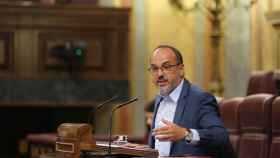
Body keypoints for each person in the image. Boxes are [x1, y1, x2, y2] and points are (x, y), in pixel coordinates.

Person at [148, 45, 235, 158]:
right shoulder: (159, 99)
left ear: (181, 69)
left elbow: (220, 136)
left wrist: (186, 134)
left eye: (167, 66)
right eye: (154, 68)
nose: (159, 74)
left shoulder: (200, 98)